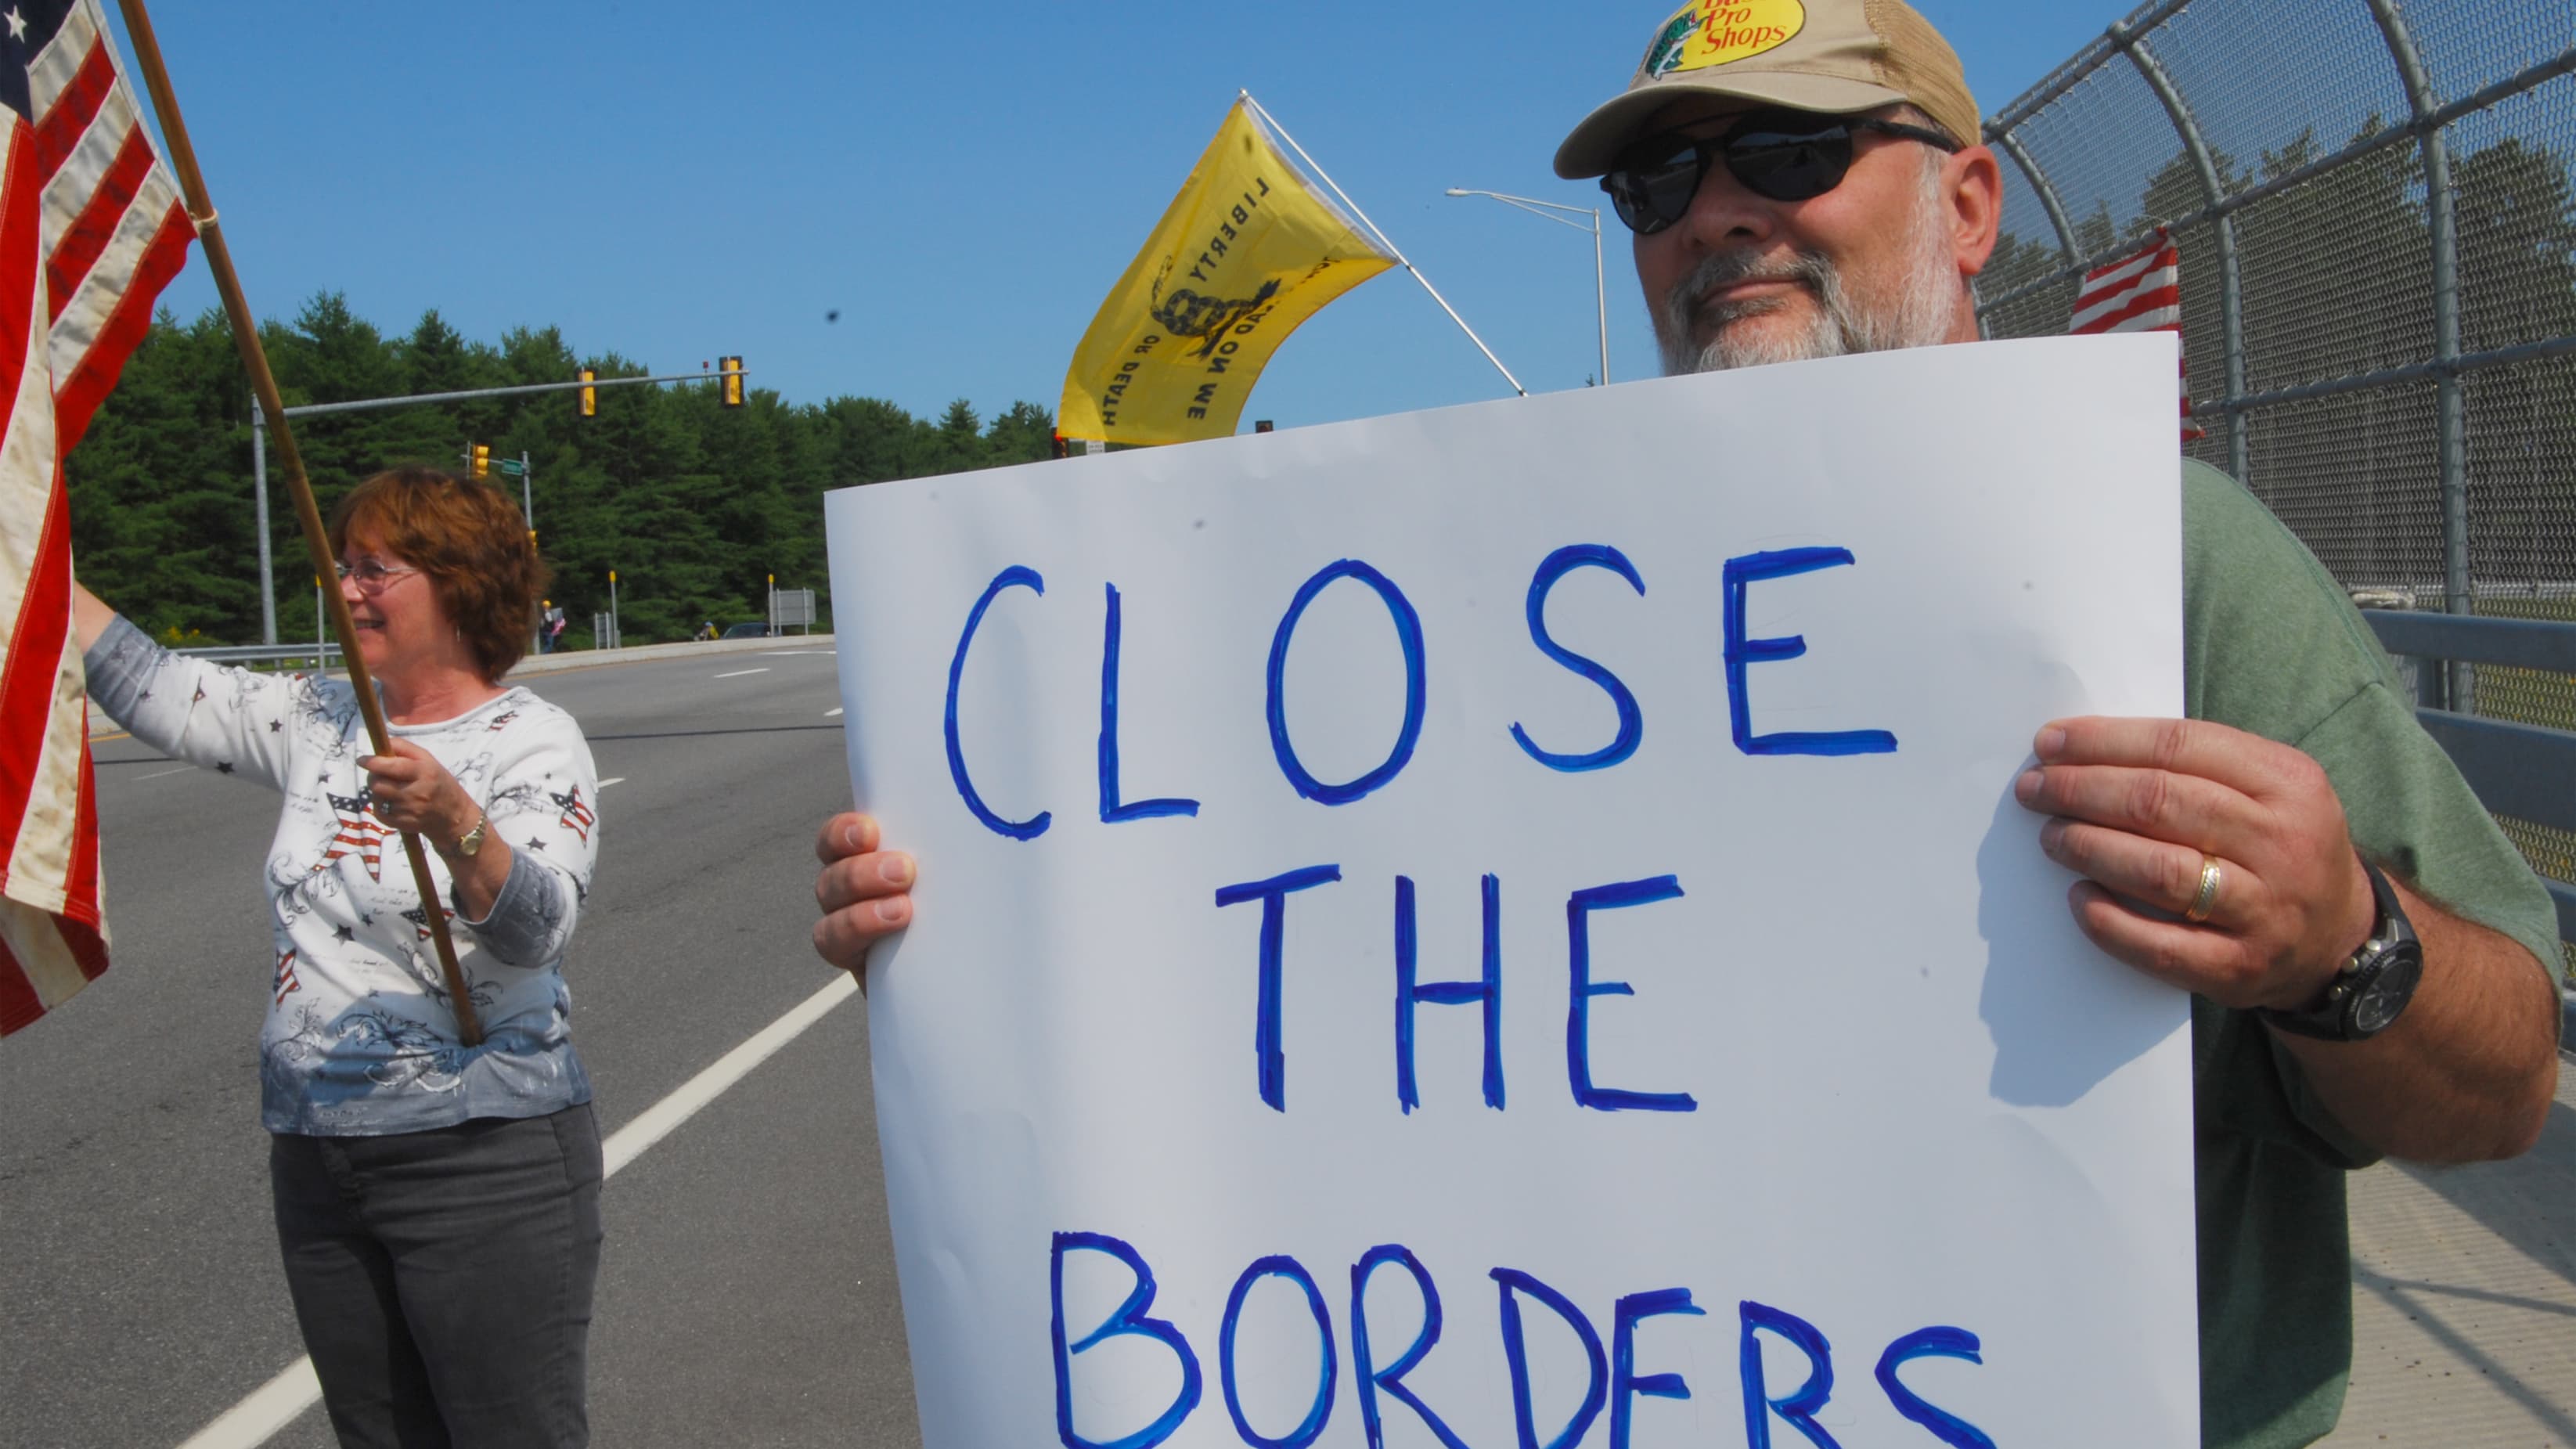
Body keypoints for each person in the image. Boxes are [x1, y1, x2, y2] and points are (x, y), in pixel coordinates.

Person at [813, 5, 2561, 1444]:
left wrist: (2348, 945)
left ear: (1965, 206)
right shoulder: (1509, 600)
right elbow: (1324, 977)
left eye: (1791, 153)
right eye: (1659, 180)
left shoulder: (2165, 562)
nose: (1713, 214)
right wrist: (987, 932)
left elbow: (2502, 1085)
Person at [79, 466, 606, 1447]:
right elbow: (153, 687)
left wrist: (455, 819)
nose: (346, 588)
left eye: (374, 569)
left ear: (460, 585)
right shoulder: (321, 717)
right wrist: (23, 552)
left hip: (482, 1155)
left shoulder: (532, 737)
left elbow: (538, 931)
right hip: (319, 1156)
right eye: (342, 565)